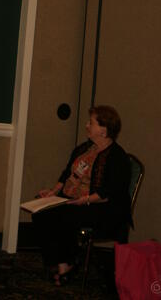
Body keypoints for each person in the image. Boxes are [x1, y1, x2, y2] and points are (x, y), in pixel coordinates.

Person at [32, 105, 131, 286]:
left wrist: (83, 200)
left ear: (103, 130)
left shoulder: (118, 157)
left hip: (102, 207)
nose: (86, 125)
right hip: (73, 200)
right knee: (40, 209)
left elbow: (108, 193)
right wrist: (53, 192)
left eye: (91, 123)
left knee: (63, 215)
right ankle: (62, 262)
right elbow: (66, 174)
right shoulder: (84, 149)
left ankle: (66, 265)